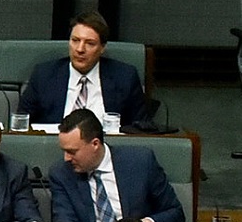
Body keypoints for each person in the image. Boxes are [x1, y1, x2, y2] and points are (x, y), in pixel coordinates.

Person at [49, 109, 185, 222]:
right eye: (64, 151)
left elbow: (175, 213)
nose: (66, 158)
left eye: (72, 151)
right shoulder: (61, 173)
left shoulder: (141, 162)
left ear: (95, 144)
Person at [18, 9, 151, 131]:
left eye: (90, 43)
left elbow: (141, 127)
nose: (80, 49)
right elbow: (21, 122)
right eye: (75, 40)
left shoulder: (125, 77)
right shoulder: (44, 75)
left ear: (102, 48)